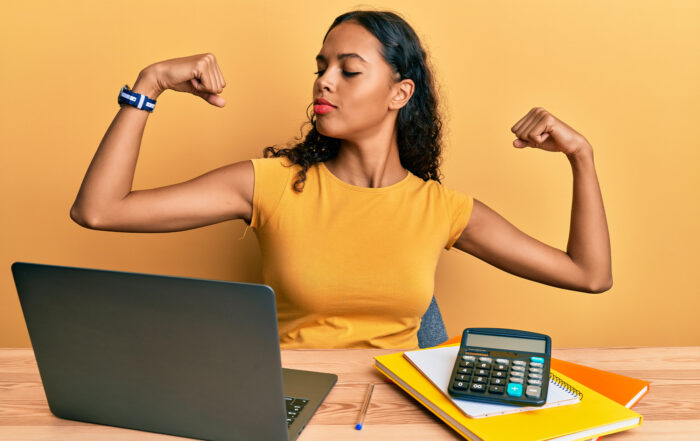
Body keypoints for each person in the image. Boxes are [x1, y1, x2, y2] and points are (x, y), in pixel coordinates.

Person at [70, 10, 612, 350]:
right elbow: (100, 210)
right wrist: (150, 84)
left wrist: (581, 157)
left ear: (399, 94)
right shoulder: (271, 184)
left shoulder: (440, 208)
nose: (324, 81)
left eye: (348, 70)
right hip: (292, 406)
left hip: (400, 412)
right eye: (321, 66)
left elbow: (588, 274)